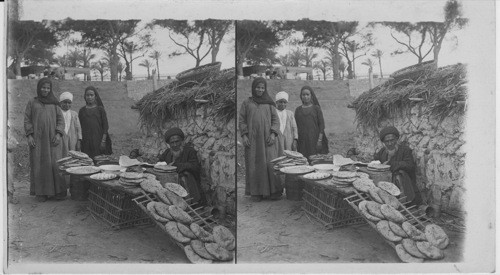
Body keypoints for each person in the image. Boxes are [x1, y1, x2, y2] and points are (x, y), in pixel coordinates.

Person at [239, 77, 283, 201]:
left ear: (265, 89)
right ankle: (256, 192)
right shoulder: (247, 103)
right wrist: (244, 135)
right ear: (253, 88)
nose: (260, 89)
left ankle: (274, 191)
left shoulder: (269, 104)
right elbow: (242, 120)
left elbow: (275, 120)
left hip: (268, 140)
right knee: (254, 164)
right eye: (258, 87)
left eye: (262, 87)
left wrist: (273, 134)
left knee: (270, 163)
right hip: (252, 141)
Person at [24, 78, 66, 202]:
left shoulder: (55, 103)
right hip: (38, 141)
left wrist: (58, 134)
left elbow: (61, 120)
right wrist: (29, 136)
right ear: (39, 88)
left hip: (53, 141)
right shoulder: (32, 102)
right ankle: (41, 192)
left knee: (54, 164)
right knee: (39, 164)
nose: (45, 90)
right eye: (43, 87)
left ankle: (57, 192)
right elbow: (27, 119)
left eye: (48, 88)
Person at [373, 126, 422, 206]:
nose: (390, 143)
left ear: (396, 139)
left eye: (392, 140)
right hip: (387, 185)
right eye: (387, 141)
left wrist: (391, 164)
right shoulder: (382, 152)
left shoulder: (405, 150)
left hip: (405, 186)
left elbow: (410, 165)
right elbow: (376, 162)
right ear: (384, 142)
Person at [158, 127, 204, 206]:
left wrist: (177, 166)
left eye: (177, 141)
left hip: (188, 186)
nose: (175, 145)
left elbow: (195, 167)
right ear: (168, 144)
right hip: (170, 185)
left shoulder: (190, 151)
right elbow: (160, 163)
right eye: (172, 142)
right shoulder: (167, 153)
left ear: (182, 141)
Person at [294, 85, 329, 159]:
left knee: (315, 160)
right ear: (301, 96)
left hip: (314, 139)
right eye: (303, 95)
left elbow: (321, 125)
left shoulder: (316, 109)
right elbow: (295, 126)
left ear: (311, 96)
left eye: (307, 94)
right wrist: (296, 140)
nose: (305, 97)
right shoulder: (298, 110)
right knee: (303, 161)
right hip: (302, 141)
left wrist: (319, 140)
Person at [79, 86, 112, 159]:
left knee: (99, 160)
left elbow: (105, 126)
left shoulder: (100, 110)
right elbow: (79, 127)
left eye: (91, 95)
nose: (89, 97)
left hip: (98, 140)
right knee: (87, 161)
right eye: (87, 95)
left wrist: (103, 141)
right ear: (85, 97)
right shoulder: (82, 111)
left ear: (95, 97)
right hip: (86, 141)